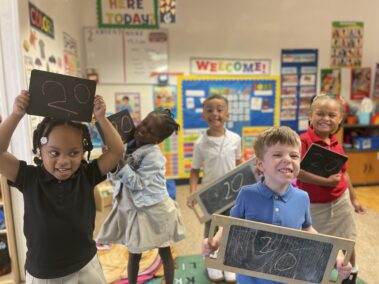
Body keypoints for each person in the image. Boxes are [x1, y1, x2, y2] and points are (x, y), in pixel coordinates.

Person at [0, 90, 124, 282]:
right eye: (54, 153)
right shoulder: (29, 178)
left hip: (86, 264)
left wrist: (100, 118)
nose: (64, 161)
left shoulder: (86, 175)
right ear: (40, 151)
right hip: (45, 273)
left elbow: (116, 151)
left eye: (74, 153)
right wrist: (16, 114)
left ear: (84, 150)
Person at [202, 126, 353, 283]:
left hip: (288, 276)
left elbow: (307, 228)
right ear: (260, 164)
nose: (287, 159)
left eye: (294, 156)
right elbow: (229, 225)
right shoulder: (247, 194)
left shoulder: (302, 198)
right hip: (250, 278)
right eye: (277, 154)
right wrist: (214, 242)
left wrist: (336, 255)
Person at [96, 108, 186, 284]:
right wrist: (111, 156)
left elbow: (136, 183)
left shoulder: (154, 156)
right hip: (137, 210)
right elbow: (115, 177)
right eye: (144, 123)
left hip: (157, 211)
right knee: (134, 252)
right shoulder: (128, 144)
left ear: (157, 140)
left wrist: (119, 159)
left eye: (151, 131)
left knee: (164, 251)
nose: (143, 129)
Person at [296, 94, 366, 284]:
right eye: (320, 113)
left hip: (340, 201)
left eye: (332, 115)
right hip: (314, 205)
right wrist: (325, 181)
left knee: (348, 238)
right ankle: (317, 273)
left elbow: (344, 173)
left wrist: (354, 199)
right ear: (310, 116)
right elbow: (297, 172)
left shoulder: (336, 142)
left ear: (340, 119)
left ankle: (350, 273)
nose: (326, 119)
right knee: (317, 242)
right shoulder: (302, 141)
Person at [188, 94, 242, 283]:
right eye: (209, 110)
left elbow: (240, 165)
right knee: (211, 228)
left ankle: (228, 263)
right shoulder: (200, 143)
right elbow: (194, 171)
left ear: (227, 114)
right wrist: (192, 192)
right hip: (210, 194)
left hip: (233, 193)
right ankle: (211, 261)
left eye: (220, 109)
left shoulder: (235, 138)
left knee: (231, 227)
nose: (215, 113)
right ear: (203, 115)